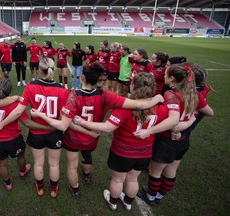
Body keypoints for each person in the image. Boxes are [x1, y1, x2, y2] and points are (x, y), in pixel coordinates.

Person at [30, 63, 164, 199]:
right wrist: (157, 98)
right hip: (93, 138)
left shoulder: (73, 96)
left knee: (72, 165)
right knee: (87, 155)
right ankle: (87, 175)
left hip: (73, 138)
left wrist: (41, 115)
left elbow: (64, 125)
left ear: (82, 77)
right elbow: (139, 104)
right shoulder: (106, 95)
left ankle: (75, 188)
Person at [73, 73, 172, 211]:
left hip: (122, 151)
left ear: (133, 86)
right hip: (144, 152)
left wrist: (83, 122)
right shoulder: (161, 107)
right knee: (132, 179)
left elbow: (107, 127)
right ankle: (127, 202)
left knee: (118, 180)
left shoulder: (124, 108)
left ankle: (113, 202)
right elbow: (172, 121)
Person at [135, 63, 214, 206]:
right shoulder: (194, 94)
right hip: (183, 141)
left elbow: (173, 121)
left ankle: (151, 196)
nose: (164, 76)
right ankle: (160, 195)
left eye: (165, 74)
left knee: (155, 171)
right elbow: (210, 112)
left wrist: (149, 130)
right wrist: (192, 118)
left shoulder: (171, 94)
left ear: (172, 78)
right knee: (171, 170)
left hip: (166, 140)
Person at [0, 58, 69, 198]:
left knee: (39, 163)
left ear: (39, 70)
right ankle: (53, 189)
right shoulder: (62, 90)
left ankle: (40, 188)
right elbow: (64, 115)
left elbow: (17, 111)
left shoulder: (30, 86)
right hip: (54, 131)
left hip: (36, 133)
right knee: (54, 164)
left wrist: (2, 124)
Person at [0, 79, 53, 191]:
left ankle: (8, 183)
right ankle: (23, 171)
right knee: (20, 156)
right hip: (14, 139)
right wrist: (47, 127)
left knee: (2, 164)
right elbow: (27, 123)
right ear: (10, 91)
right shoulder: (15, 105)